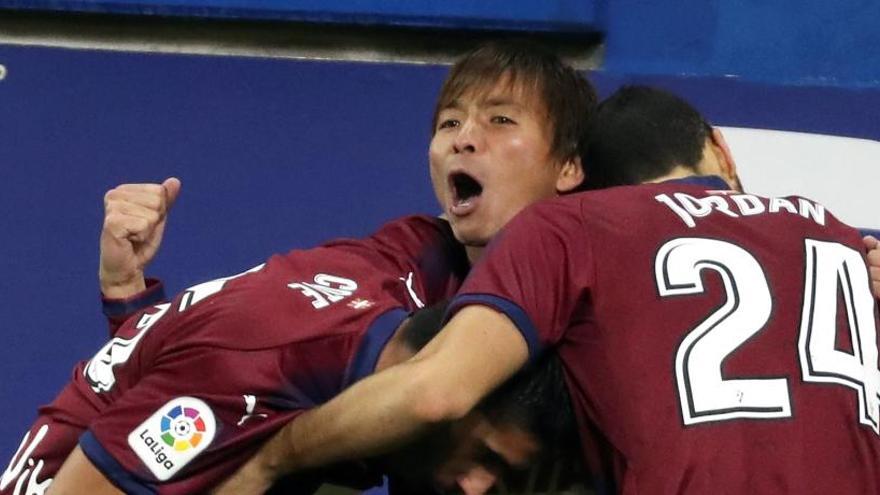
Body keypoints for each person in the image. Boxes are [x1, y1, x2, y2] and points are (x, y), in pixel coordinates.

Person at [216, 86, 880, 494]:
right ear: (720, 150)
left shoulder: (575, 224)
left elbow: (436, 389)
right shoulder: (829, 229)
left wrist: (274, 457)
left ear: (587, 181)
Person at [4, 39, 598, 495]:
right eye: (449, 122)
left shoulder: (437, 265)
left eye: (500, 120)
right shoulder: (284, 355)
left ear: (571, 165)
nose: (464, 139)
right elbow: (215, 371)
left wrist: (131, 305)